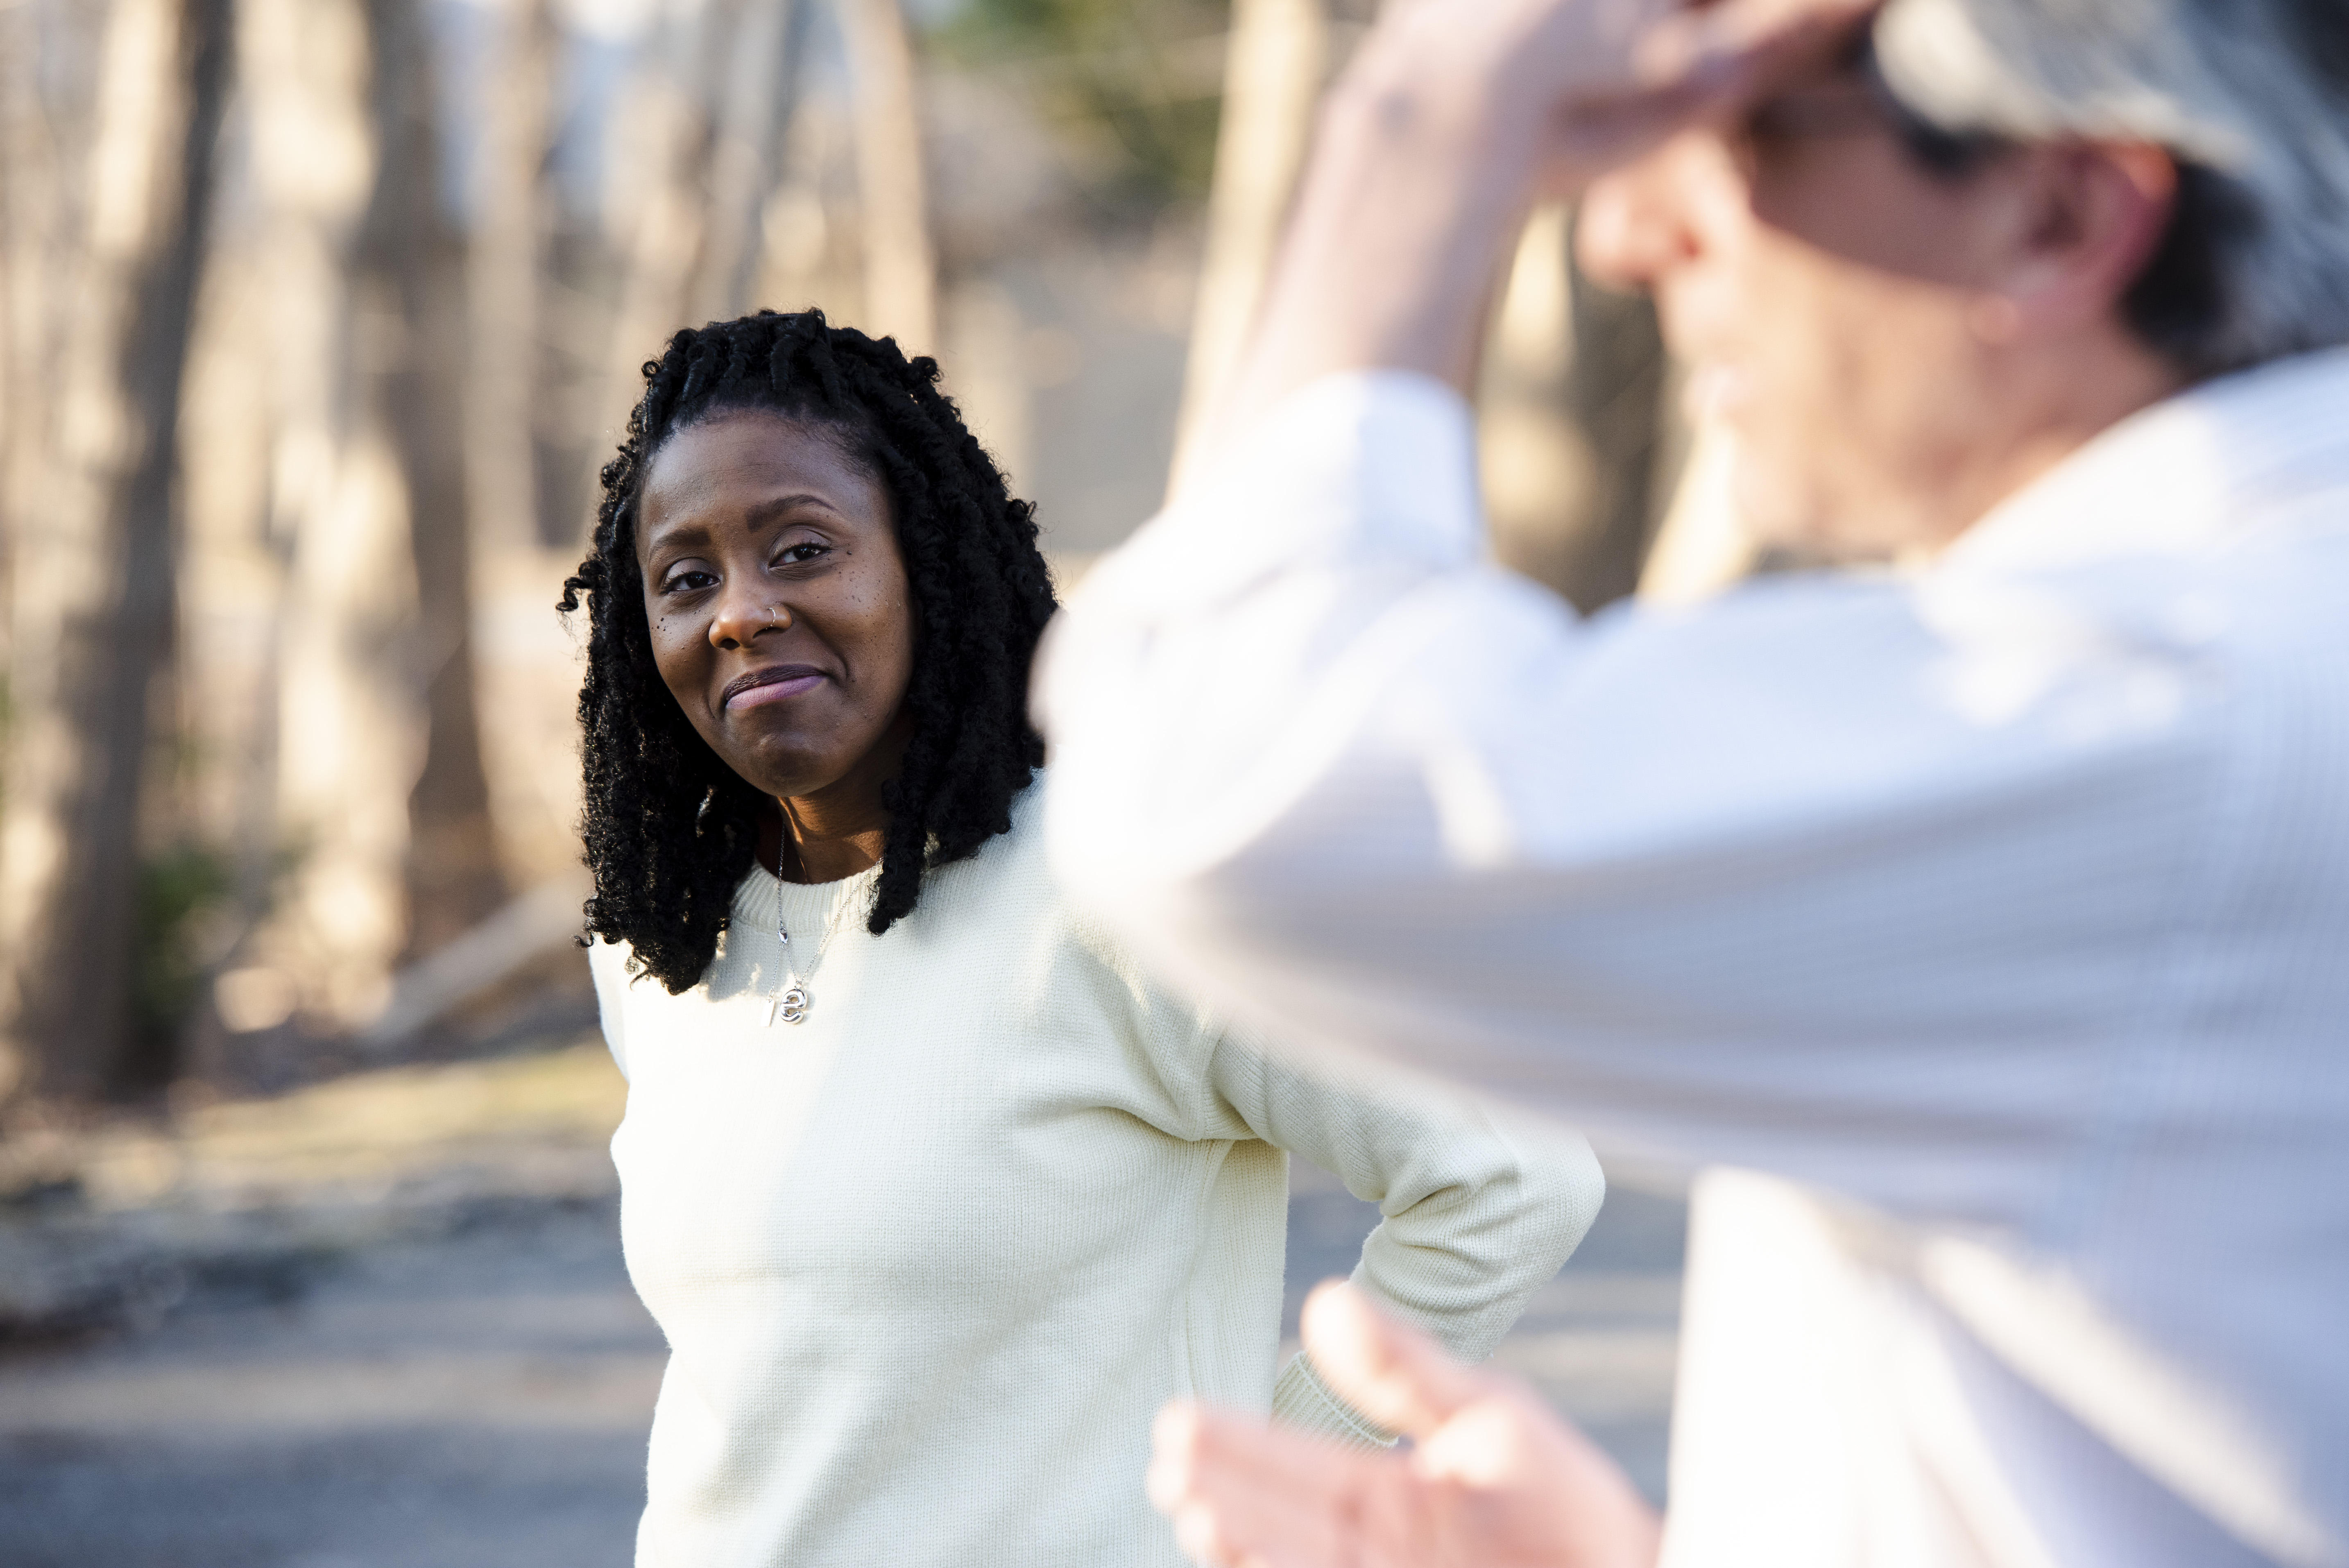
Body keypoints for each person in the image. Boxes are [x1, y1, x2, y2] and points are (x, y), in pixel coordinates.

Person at [1036, 0, 2349, 1563]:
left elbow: (1223, 784)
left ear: (2063, 214)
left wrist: (1419, 119)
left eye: (1744, 129)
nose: (1625, 236)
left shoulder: (2163, 706)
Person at [560, 309, 1605, 1568]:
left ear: (928, 564)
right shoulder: (659, 950)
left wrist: (1279, 1472)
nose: (741, 612)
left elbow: (1513, 1172)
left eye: (800, 548)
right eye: (686, 579)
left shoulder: (1111, 885)